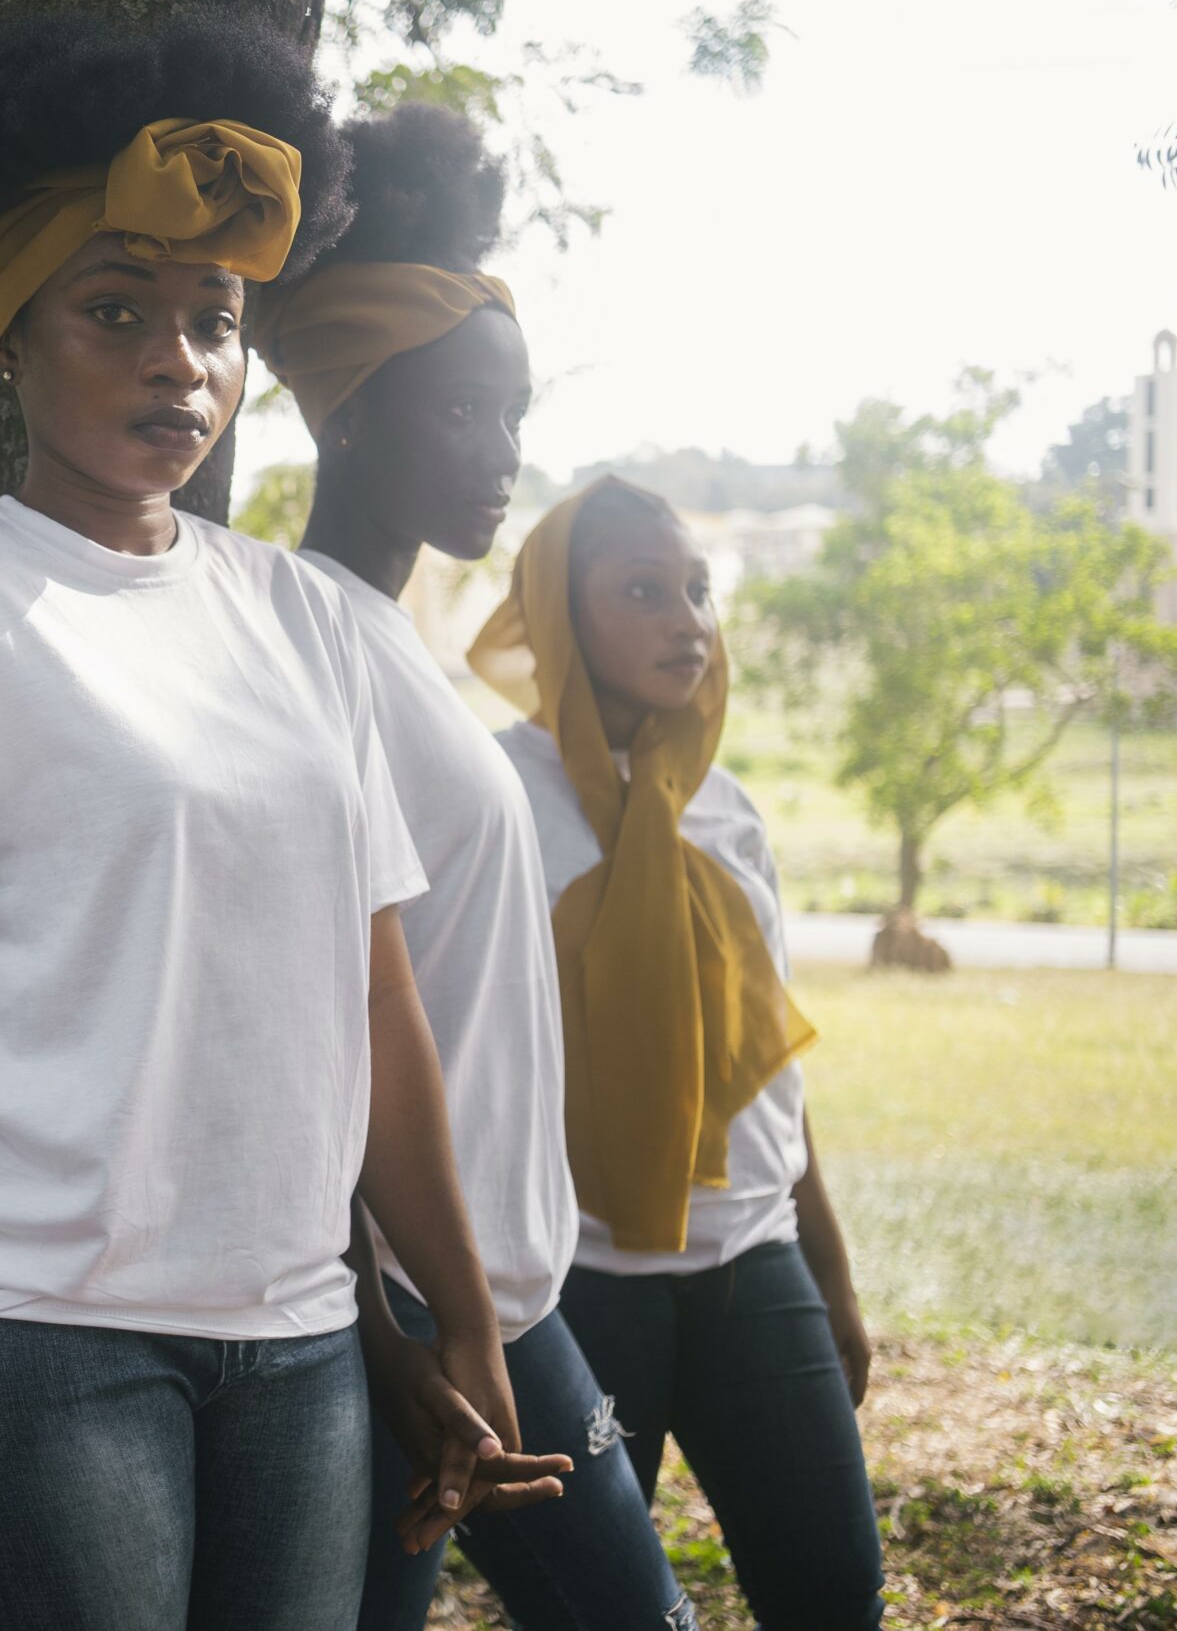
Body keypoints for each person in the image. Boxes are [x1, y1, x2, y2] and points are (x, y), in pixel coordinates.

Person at [0, 10, 566, 1631]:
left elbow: (374, 995)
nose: (178, 360)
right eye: (118, 311)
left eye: (214, 319)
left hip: (300, 1337)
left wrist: (456, 1318)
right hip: (22, 1329)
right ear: (13, 337)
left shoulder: (301, 618)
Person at [251, 103, 693, 1628]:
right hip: (410, 1305)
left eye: (515, 417)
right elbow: (302, 1008)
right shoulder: (295, 641)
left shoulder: (390, 641)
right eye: (463, 416)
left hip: (502, 1288)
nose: (504, 458)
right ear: (349, 412)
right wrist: (387, 1318)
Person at [480, 476, 887, 1629]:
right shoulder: (499, 796)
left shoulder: (725, 808)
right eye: (644, 591)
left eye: (699, 591)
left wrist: (829, 1274)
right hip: (580, 1283)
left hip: (752, 1260)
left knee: (833, 1590)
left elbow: (766, 1069)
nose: (687, 621)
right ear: (560, 615)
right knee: (605, 1610)